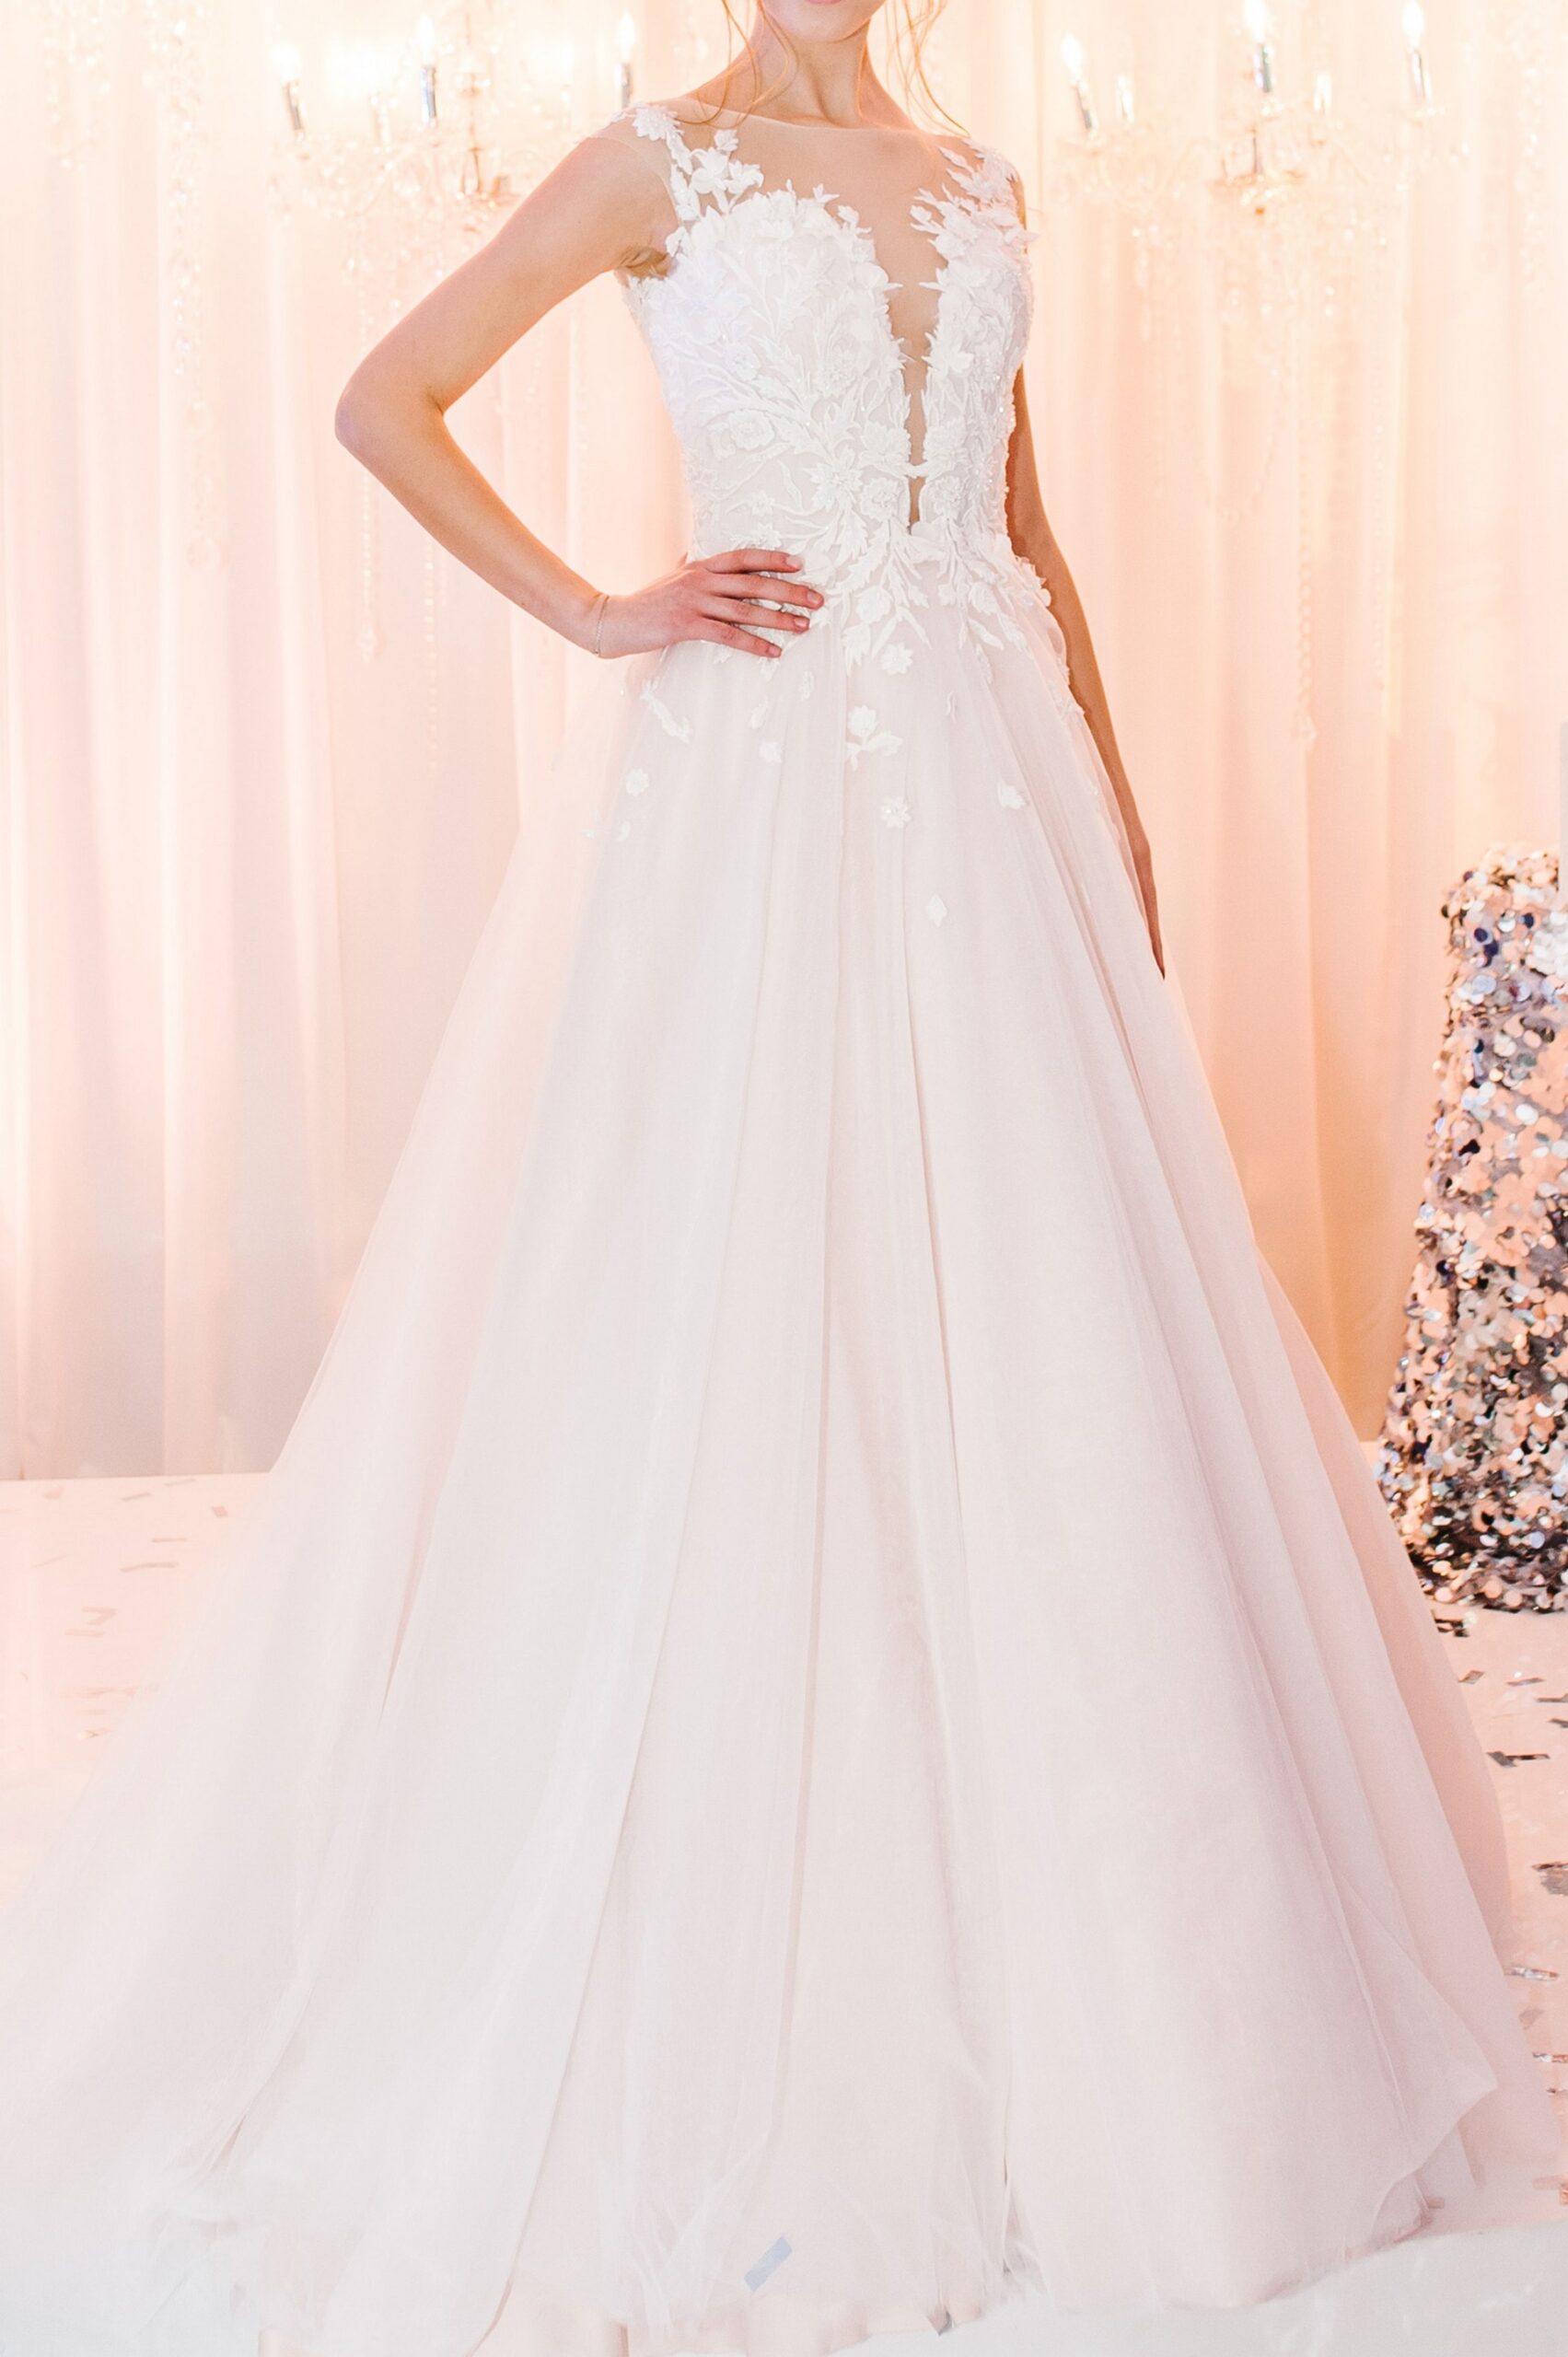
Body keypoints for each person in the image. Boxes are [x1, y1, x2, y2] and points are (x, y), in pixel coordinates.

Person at [0, 6, 1559, 2354]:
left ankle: (1144, 1958)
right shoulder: (654, 165)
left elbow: (1021, 524)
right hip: (764, 800)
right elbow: (380, 398)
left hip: (995, 767)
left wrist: (1116, 800)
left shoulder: (979, 178)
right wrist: (608, 608)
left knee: (1054, 1337)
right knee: (744, 1309)